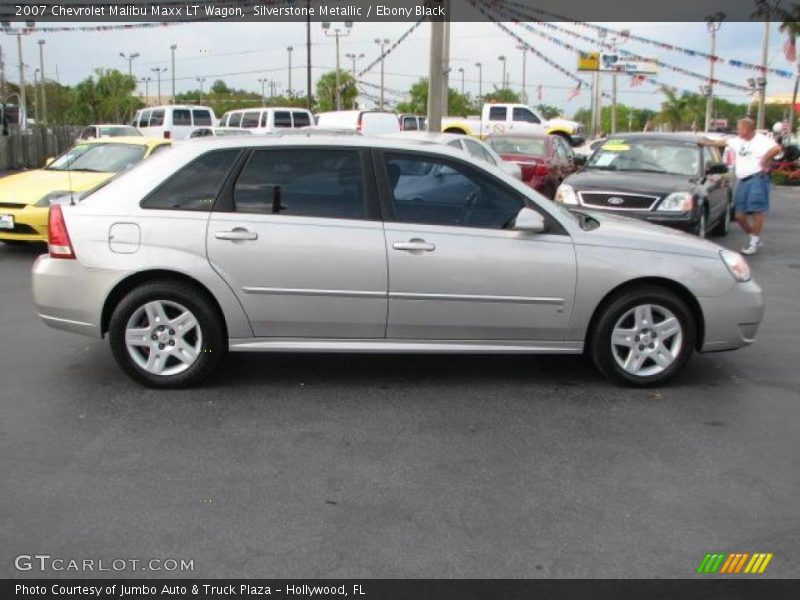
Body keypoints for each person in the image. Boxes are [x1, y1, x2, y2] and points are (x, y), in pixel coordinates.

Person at [699, 118, 781, 255]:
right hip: (743, 180)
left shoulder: (762, 140)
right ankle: (754, 237)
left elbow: (776, 148)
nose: (737, 131)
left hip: (757, 178)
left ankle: (753, 243)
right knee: (739, 215)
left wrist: (764, 160)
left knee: (756, 210)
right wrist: (707, 142)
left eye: (739, 128)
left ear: (747, 129)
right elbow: (723, 142)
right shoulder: (738, 141)